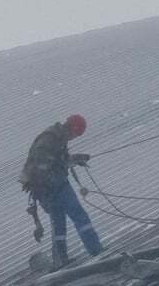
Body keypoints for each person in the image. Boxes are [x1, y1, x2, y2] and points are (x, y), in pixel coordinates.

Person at [18, 114, 103, 270]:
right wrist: (56, 178)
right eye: (76, 134)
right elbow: (43, 165)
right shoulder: (50, 139)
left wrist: (75, 159)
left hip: (47, 188)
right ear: (72, 129)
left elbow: (57, 160)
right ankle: (96, 250)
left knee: (58, 224)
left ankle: (60, 259)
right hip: (53, 187)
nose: (74, 138)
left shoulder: (57, 137)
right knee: (79, 216)